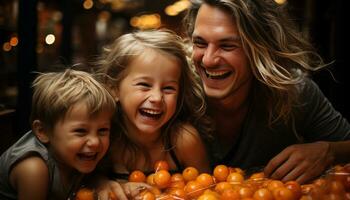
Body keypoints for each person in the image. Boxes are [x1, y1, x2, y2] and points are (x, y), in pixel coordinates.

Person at [184, 0, 350, 184]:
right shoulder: (175, 92)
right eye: (200, 43)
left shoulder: (295, 92)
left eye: (227, 46)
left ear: (261, 48)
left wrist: (328, 151)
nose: (208, 60)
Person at [96, 29, 211, 179]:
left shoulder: (184, 141)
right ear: (114, 89)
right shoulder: (105, 141)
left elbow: (209, 190)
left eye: (168, 88)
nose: (157, 98)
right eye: (144, 85)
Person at [0, 69, 116, 200]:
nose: (95, 142)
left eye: (102, 130)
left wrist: (100, 182)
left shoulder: (76, 154)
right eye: (80, 131)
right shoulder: (33, 169)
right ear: (42, 131)